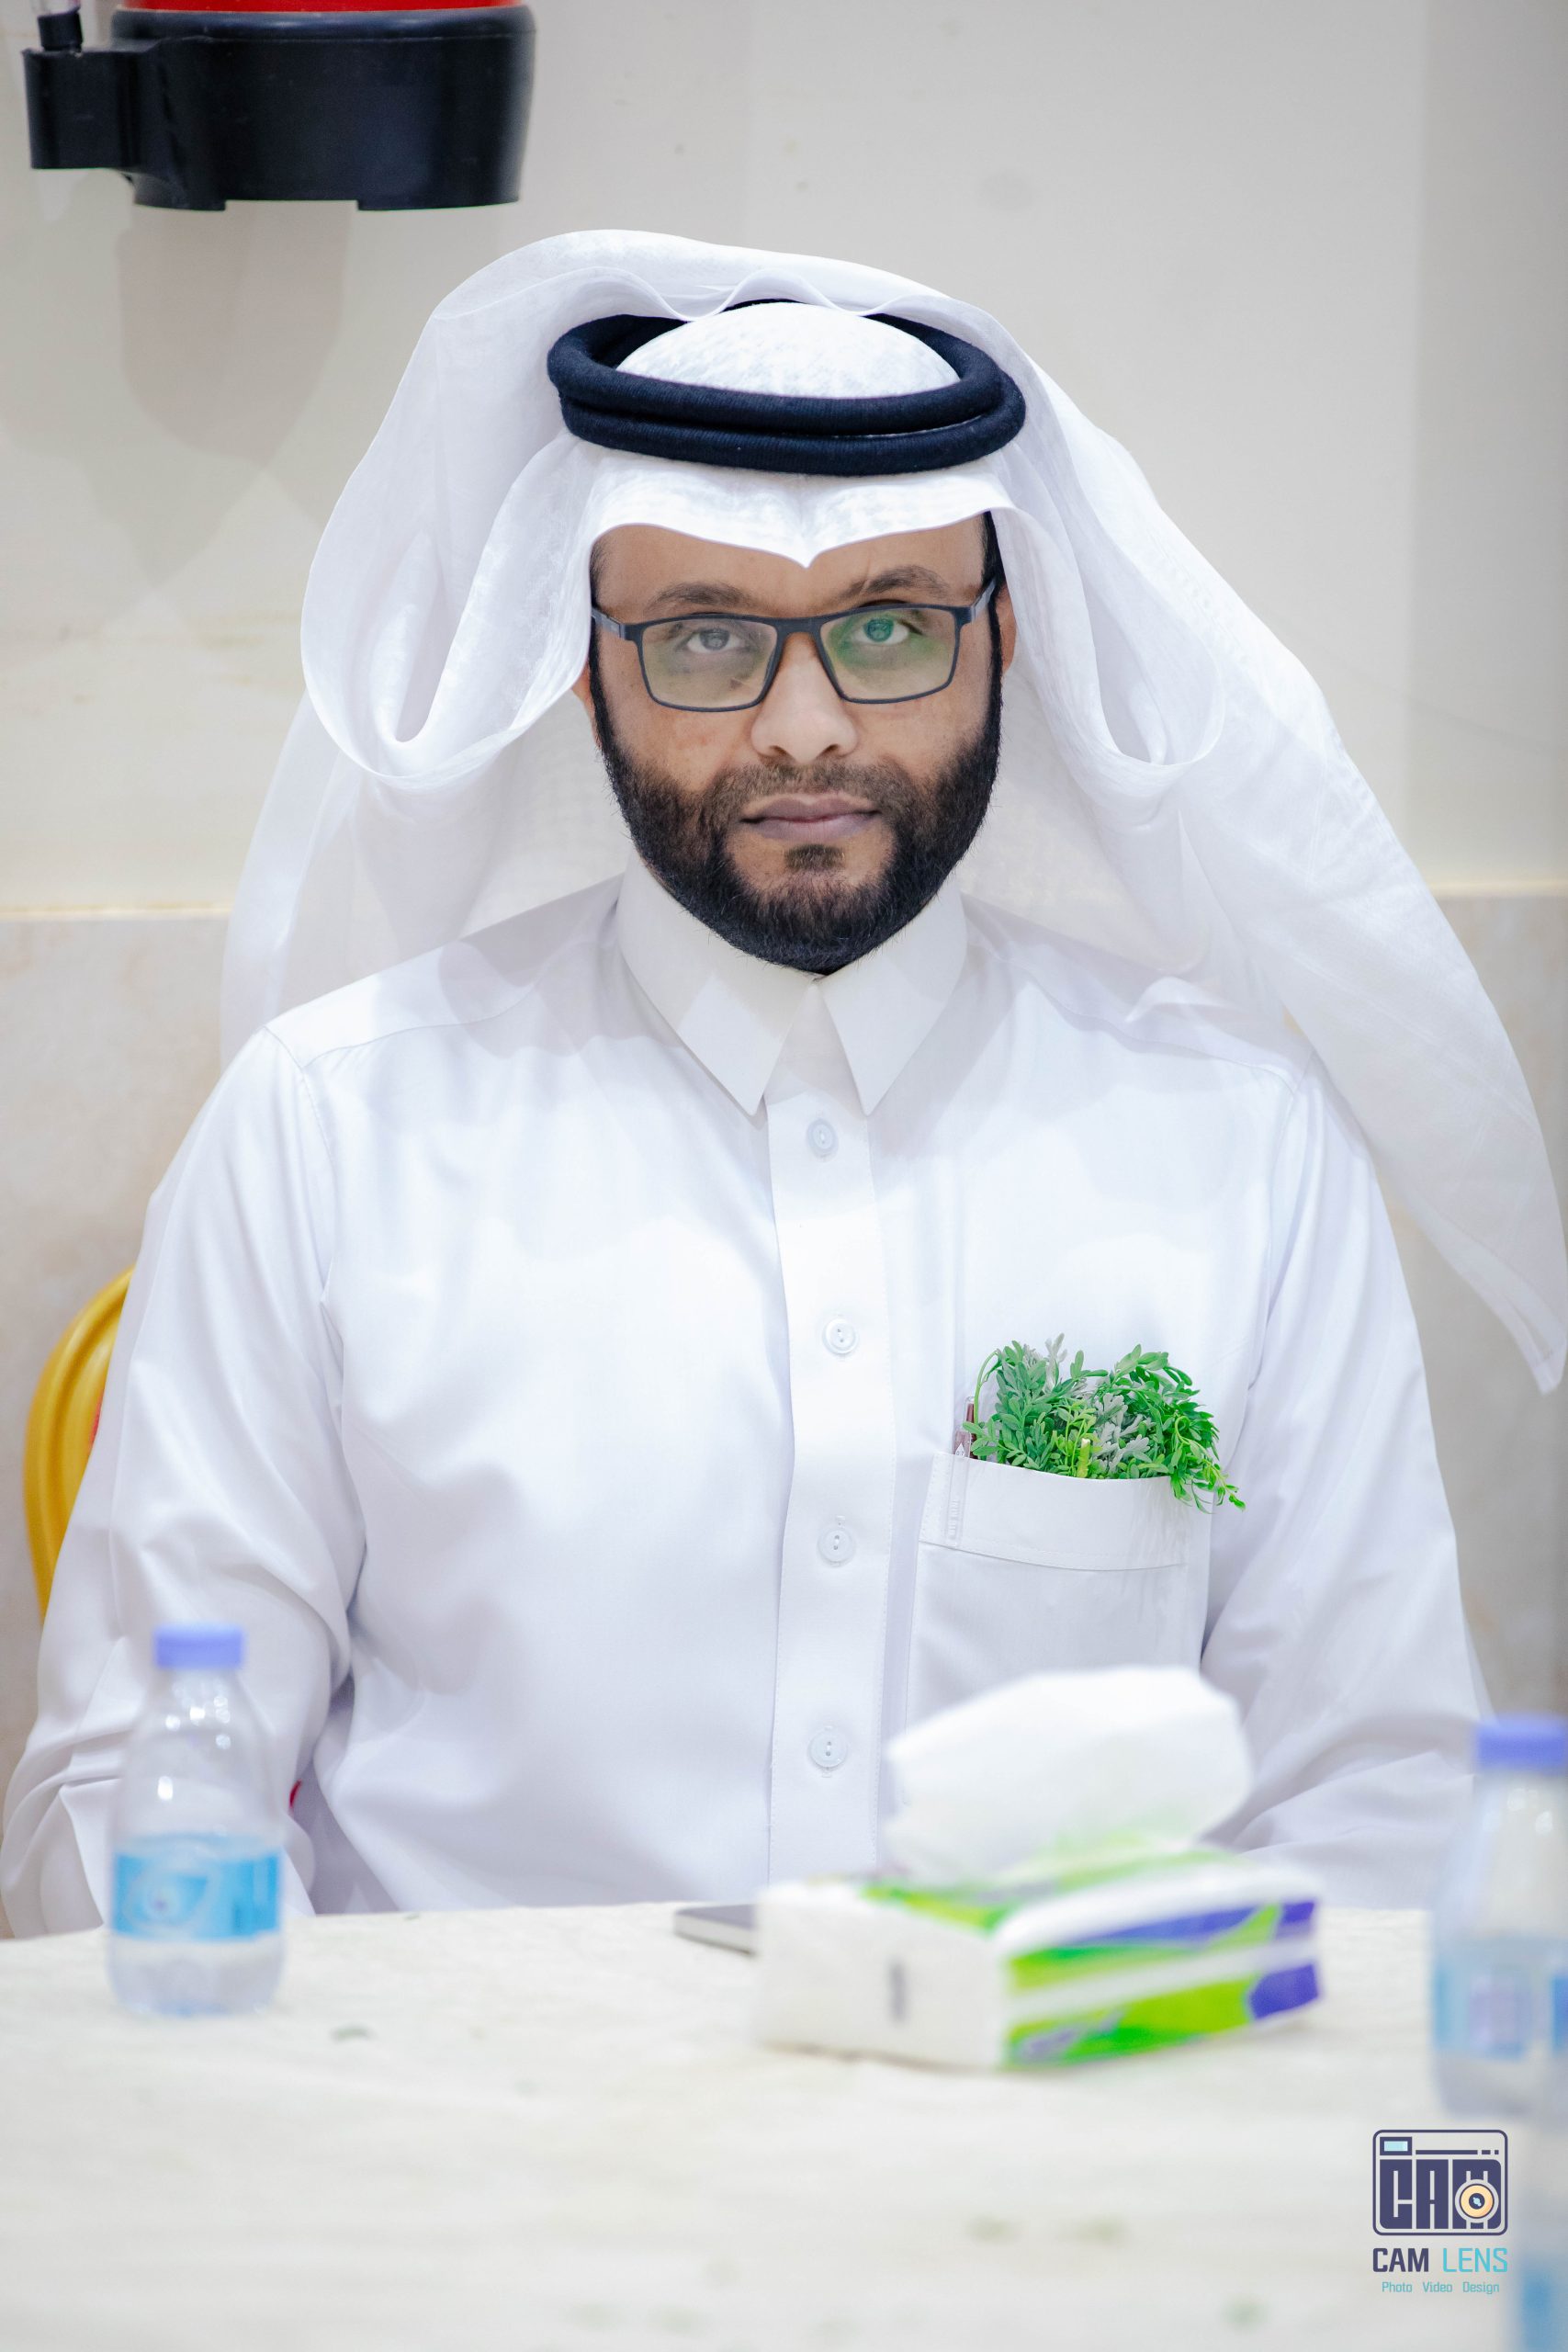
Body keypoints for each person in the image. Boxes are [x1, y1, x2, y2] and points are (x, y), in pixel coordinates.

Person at [4, 235, 1563, 1933]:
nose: (804, 725)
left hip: (1063, 2091)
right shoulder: (327, 1135)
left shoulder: (1241, 1148)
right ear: (582, 661)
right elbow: (134, 1791)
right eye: (704, 637)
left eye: (888, 626)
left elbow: (1369, 1794)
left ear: (1006, 638)